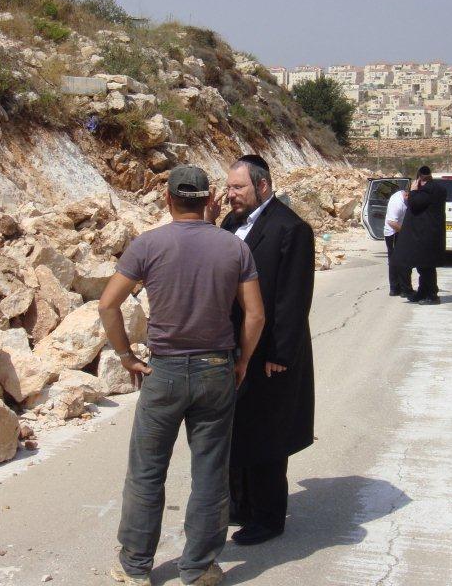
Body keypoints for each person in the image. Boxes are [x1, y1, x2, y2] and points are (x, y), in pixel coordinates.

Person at [99, 164, 265, 586]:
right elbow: (255, 315)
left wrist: (125, 355)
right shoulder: (234, 248)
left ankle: (136, 567)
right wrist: (242, 361)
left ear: (168, 199)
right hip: (215, 369)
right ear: (209, 199)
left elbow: (107, 305)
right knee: (210, 472)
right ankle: (199, 568)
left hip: (164, 370)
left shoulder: (148, 245)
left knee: (147, 471)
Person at [206, 154, 316, 546]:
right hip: (234, 346)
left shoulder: (292, 229)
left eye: (238, 188)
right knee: (238, 428)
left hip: (269, 352)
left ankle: (268, 517)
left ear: (262, 186)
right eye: (230, 186)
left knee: (268, 434)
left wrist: (280, 356)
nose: (230, 194)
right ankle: (241, 505)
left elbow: (292, 299)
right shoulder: (232, 222)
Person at [393, 166, 447, 305]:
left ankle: (432, 295)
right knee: (423, 265)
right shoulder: (437, 189)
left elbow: (414, 204)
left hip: (425, 235)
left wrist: (413, 190)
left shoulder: (426, 192)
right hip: (429, 234)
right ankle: (423, 292)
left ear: (420, 179)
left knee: (426, 266)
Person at [383, 184, 410, 297]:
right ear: (407, 195)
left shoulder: (404, 198)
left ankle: (398, 288)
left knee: (398, 260)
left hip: (398, 230)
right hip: (393, 232)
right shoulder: (398, 203)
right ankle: (397, 288)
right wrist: (406, 232)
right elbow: (392, 222)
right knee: (396, 260)